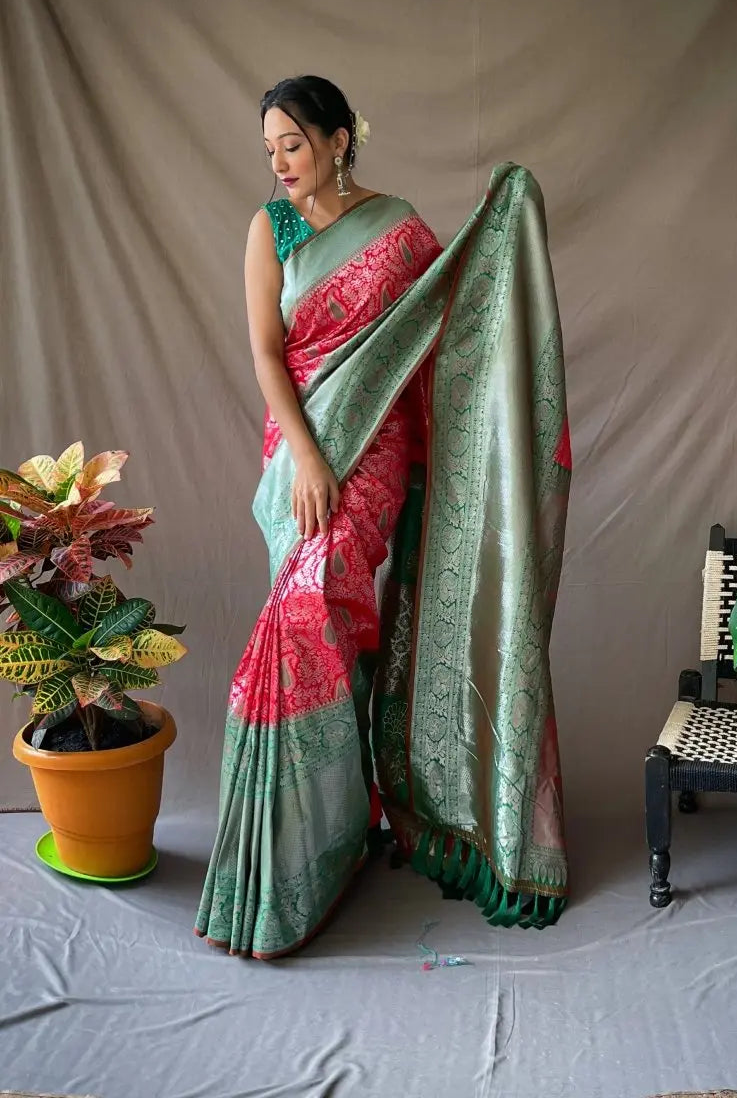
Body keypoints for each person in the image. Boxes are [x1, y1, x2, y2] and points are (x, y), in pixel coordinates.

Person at [195, 75, 571, 959]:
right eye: (269, 150)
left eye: (293, 143)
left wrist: (506, 223)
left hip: (377, 458)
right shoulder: (270, 230)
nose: (280, 163)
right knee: (319, 634)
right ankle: (329, 835)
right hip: (300, 457)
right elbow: (263, 352)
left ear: (337, 141)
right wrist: (310, 456)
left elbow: (455, 314)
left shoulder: (399, 231)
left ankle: (304, 856)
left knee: (308, 625)